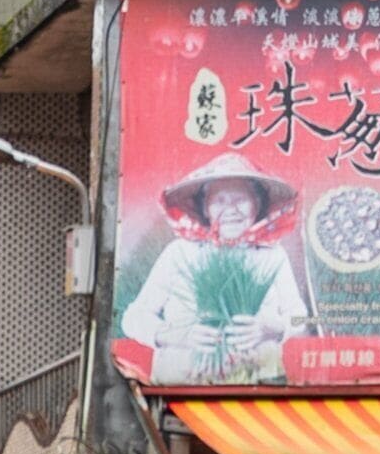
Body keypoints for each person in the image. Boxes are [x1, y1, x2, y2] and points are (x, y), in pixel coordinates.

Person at [118, 152, 310, 386]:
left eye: (240, 199)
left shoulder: (271, 255)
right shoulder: (180, 253)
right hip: (181, 388)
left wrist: (271, 328)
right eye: (220, 200)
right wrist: (178, 336)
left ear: (256, 206)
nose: (231, 209)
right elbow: (133, 317)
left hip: (259, 386)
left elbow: (301, 317)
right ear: (205, 208)